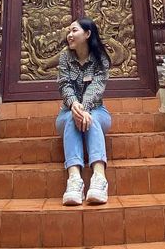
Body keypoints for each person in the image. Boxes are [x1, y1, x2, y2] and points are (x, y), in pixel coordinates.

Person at [56, 17, 111, 205]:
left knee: (93, 117)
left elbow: (97, 88)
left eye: (74, 31)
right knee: (72, 119)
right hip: (67, 112)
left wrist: (83, 108)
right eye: (69, 31)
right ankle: (74, 180)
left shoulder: (100, 59)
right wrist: (74, 106)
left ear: (87, 34)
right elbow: (64, 85)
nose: (69, 35)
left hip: (97, 110)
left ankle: (99, 178)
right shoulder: (65, 57)